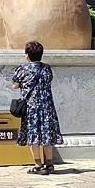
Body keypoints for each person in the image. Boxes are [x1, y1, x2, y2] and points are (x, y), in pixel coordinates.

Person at [12, 40, 63, 175]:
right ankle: (50, 164)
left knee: (33, 134)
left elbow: (15, 85)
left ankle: (37, 164)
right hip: (47, 107)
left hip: (32, 107)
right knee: (46, 135)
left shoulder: (23, 69)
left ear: (27, 55)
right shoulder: (47, 68)